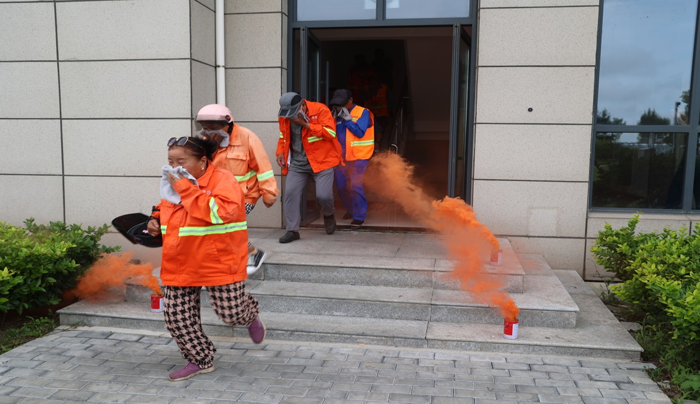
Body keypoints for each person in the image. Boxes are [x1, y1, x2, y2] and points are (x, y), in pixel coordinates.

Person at [146, 136, 265, 382]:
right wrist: (154, 220)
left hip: (218, 262)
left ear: (202, 161)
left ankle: (250, 314)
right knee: (176, 317)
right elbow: (164, 207)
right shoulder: (175, 183)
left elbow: (222, 213)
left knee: (231, 314)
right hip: (180, 262)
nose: (174, 167)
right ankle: (200, 359)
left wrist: (184, 188)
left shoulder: (223, 180)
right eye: (170, 161)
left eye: (181, 161)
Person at [195, 104, 279, 274]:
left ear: (228, 124)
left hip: (244, 195)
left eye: (213, 127)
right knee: (217, 225)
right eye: (205, 128)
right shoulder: (208, 141)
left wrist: (269, 193)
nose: (209, 131)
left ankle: (252, 252)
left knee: (226, 223)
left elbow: (263, 167)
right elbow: (203, 168)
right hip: (218, 195)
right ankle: (238, 254)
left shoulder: (248, 138)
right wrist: (210, 149)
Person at [276, 92, 342, 243]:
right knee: (290, 193)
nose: (289, 116)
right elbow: (283, 136)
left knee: (324, 196)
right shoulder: (284, 116)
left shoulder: (320, 109)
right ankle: (292, 230)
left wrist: (305, 124)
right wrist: (280, 152)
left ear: (302, 106)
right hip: (298, 163)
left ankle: (328, 214)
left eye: (293, 112)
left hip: (322, 161)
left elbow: (330, 133)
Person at [329, 89, 374, 227]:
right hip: (342, 157)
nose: (340, 107)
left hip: (360, 156)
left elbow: (360, 133)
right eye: (337, 104)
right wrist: (331, 119)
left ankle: (359, 216)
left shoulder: (363, 112)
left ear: (351, 100)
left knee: (355, 185)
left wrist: (347, 119)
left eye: (343, 104)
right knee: (341, 186)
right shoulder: (336, 114)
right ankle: (350, 209)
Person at [362, 74, 391, 150]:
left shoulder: (384, 88)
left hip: (382, 114)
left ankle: (378, 144)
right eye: (370, 82)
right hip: (369, 115)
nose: (372, 84)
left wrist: (390, 110)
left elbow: (390, 99)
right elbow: (363, 98)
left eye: (374, 82)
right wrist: (370, 93)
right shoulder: (366, 89)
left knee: (381, 130)